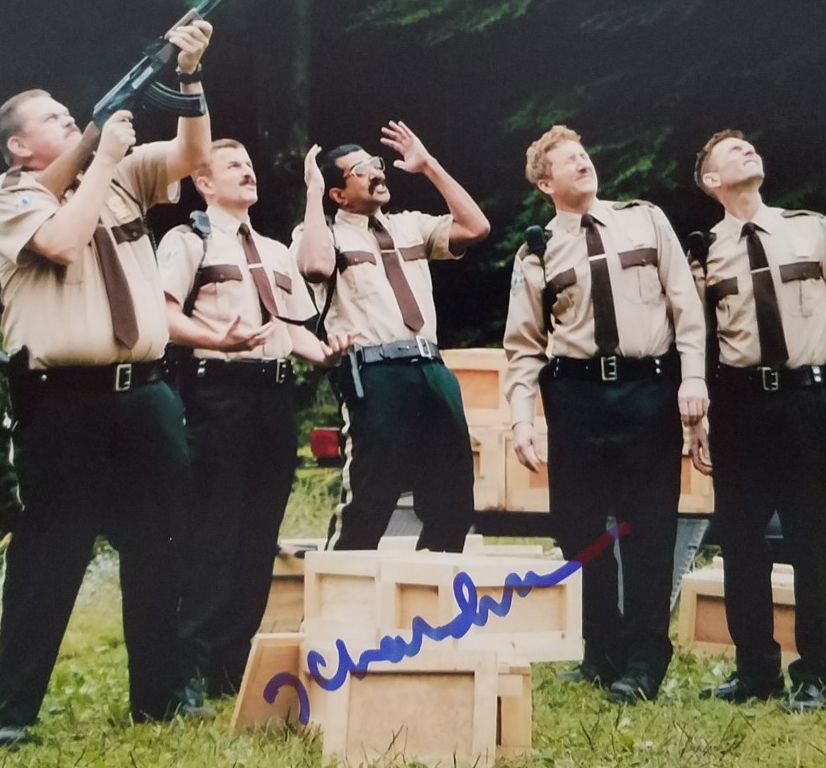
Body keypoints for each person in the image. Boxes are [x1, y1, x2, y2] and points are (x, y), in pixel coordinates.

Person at [0, 18, 214, 749]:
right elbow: (59, 239)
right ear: (22, 145)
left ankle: (161, 695)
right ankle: (11, 713)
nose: (66, 116)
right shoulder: (14, 194)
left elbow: (192, 154)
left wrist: (188, 76)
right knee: (52, 552)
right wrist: (105, 154)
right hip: (62, 404)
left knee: (161, 544)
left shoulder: (120, 178)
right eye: (50, 116)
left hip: (144, 392)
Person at [503, 125, 709, 704]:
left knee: (647, 526)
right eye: (568, 162)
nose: (583, 164)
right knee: (581, 531)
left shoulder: (646, 219)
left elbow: (685, 305)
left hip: (647, 389)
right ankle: (602, 652)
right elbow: (523, 345)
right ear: (546, 182)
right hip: (576, 398)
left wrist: (693, 378)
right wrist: (522, 419)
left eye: (584, 155)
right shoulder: (536, 250)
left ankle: (646, 657)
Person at [689, 129, 826, 713]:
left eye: (749, 145)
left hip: (804, 400)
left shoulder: (811, 228)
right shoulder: (703, 252)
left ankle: (813, 673)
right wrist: (694, 420)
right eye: (731, 151)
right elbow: (697, 340)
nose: (747, 149)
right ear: (711, 181)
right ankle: (754, 671)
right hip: (738, 405)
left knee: (810, 539)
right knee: (742, 541)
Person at [157, 138, 354, 699]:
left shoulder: (272, 250)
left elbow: (291, 330)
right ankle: (188, 665)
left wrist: (326, 351)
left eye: (248, 164)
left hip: (273, 396)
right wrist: (215, 337)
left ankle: (230, 662)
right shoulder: (187, 239)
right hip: (216, 391)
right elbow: (163, 313)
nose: (247, 173)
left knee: (257, 531)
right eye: (232, 166)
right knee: (214, 530)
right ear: (204, 182)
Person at [292, 122, 490, 551]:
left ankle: (429, 600)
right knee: (371, 496)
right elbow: (314, 268)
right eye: (361, 170)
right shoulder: (323, 234)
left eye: (376, 164)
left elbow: (475, 228)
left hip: (432, 369)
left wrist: (429, 166)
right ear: (338, 195)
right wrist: (311, 192)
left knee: (452, 497)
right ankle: (342, 600)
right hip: (375, 374)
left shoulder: (409, 226)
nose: (377, 173)